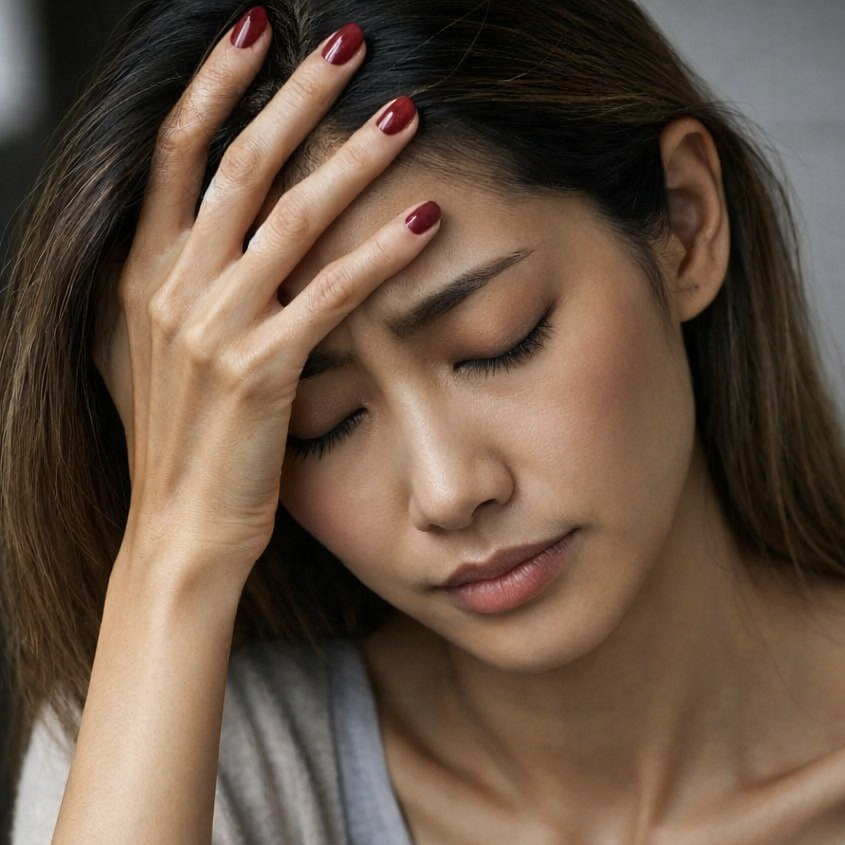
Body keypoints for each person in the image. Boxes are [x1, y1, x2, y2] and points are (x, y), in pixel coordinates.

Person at [2, 0, 845, 841]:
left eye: (499, 342)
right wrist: (171, 548)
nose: (448, 490)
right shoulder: (173, 754)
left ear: (685, 221)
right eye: (319, 420)